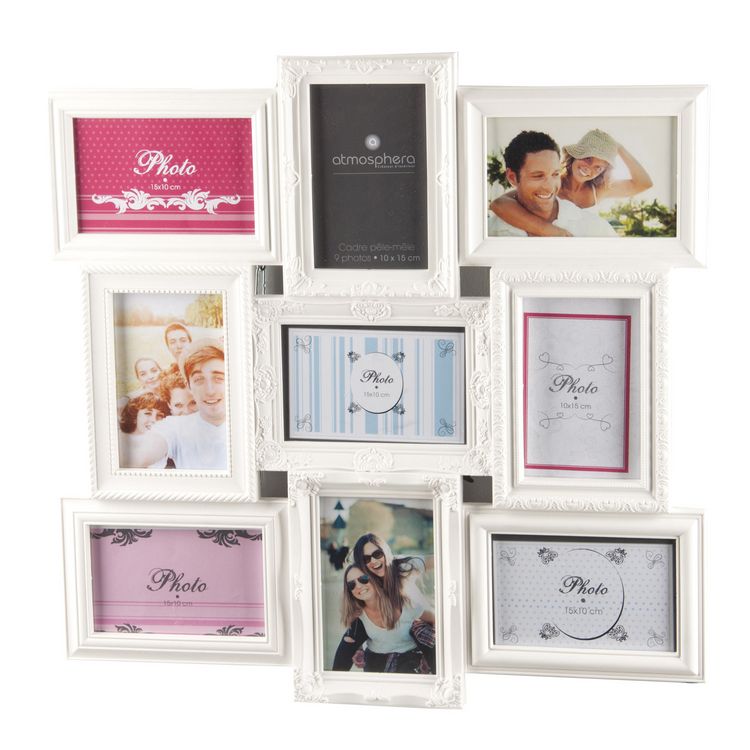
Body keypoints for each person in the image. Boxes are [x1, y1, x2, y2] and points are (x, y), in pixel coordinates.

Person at [489, 129, 652, 237]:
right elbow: (499, 204)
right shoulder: (553, 183)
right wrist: (550, 231)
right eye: (588, 159)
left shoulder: (600, 189)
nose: (590, 169)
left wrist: (619, 148)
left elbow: (644, 183)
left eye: (598, 167)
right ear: (575, 155)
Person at [119, 341, 226, 470]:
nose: (210, 390)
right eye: (199, 379)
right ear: (189, 386)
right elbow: (141, 453)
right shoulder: (173, 426)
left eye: (219, 378)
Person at [331, 565, 434, 674]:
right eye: (351, 584)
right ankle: (334, 681)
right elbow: (352, 639)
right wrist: (358, 648)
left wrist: (428, 652)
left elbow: (436, 620)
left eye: (363, 579)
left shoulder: (404, 605)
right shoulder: (357, 614)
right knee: (347, 641)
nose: (359, 586)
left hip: (410, 659)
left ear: (375, 579)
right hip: (376, 661)